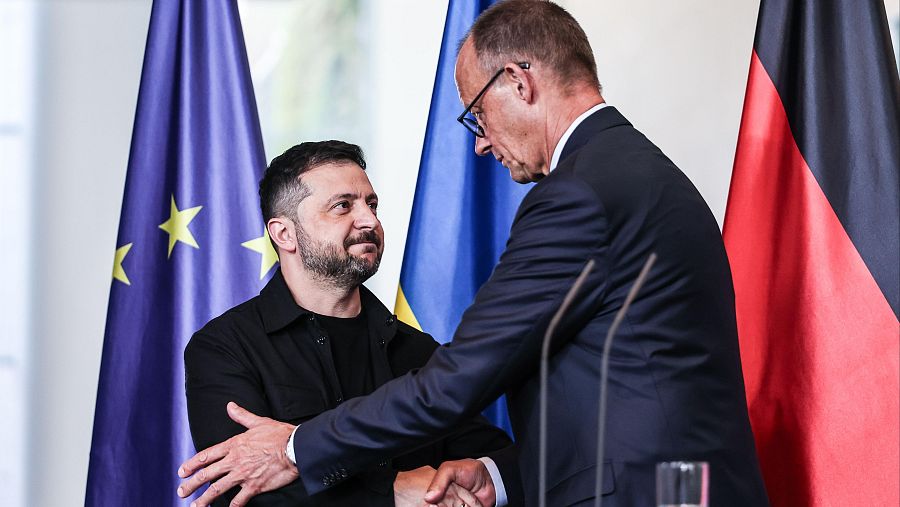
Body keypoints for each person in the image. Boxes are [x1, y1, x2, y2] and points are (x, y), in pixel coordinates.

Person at [178, 2, 770, 506]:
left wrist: (292, 446)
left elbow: (458, 381)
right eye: (340, 205)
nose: (482, 142)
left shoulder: (581, 193)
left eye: (477, 114)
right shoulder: (637, 170)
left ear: (519, 80)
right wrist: (488, 476)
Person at [181, 140, 512, 506]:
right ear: (284, 234)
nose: (369, 220)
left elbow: (492, 461)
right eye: (342, 206)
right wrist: (393, 492)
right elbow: (246, 494)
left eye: (371, 204)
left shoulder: (420, 352)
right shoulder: (225, 347)